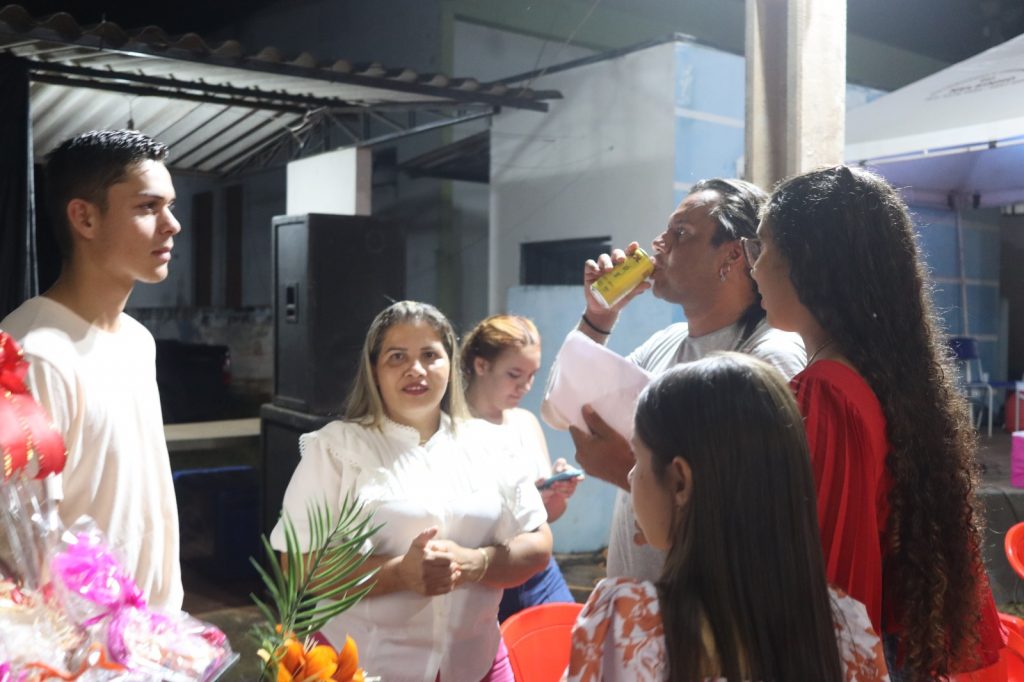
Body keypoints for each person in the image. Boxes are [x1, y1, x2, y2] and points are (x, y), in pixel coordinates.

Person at [747, 165, 1003, 678]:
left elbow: (829, 579)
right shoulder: (884, 376)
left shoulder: (827, 391)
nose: (754, 269)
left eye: (763, 248)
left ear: (810, 263)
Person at [271, 301, 553, 682]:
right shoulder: (338, 449)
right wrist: (397, 574)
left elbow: (538, 546)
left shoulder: (491, 445)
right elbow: (297, 569)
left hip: (476, 664)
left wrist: (477, 563)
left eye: (430, 355)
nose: (415, 369)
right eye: (397, 356)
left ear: (451, 365)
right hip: (363, 667)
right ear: (375, 369)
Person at [568, 354, 889, 682]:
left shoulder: (627, 622)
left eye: (637, 457)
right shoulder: (847, 629)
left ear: (680, 481)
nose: (631, 477)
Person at [551, 178, 805, 582]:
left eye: (681, 233)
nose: (658, 243)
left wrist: (627, 469)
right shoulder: (665, 343)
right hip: (644, 612)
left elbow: (757, 512)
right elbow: (558, 407)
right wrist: (598, 319)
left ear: (733, 255)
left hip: (710, 621)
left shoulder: (768, 355)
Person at [0, 130, 183, 611]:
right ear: (84, 216)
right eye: (148, 207)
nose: (172, 225)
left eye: (169, 205)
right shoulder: (32, 355)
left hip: (154, 639)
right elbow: (21, 549)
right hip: (80, 653)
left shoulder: (137, 341)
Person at [461, 314, 580, 621]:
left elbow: (547, 518)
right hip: (485, 577)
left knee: (564, 657)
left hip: (540, 573)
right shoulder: (451, 429)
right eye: (515, 374)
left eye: (532, 375)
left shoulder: (525, 423)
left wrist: (556, 496)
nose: (525, 386)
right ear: (481, 365)